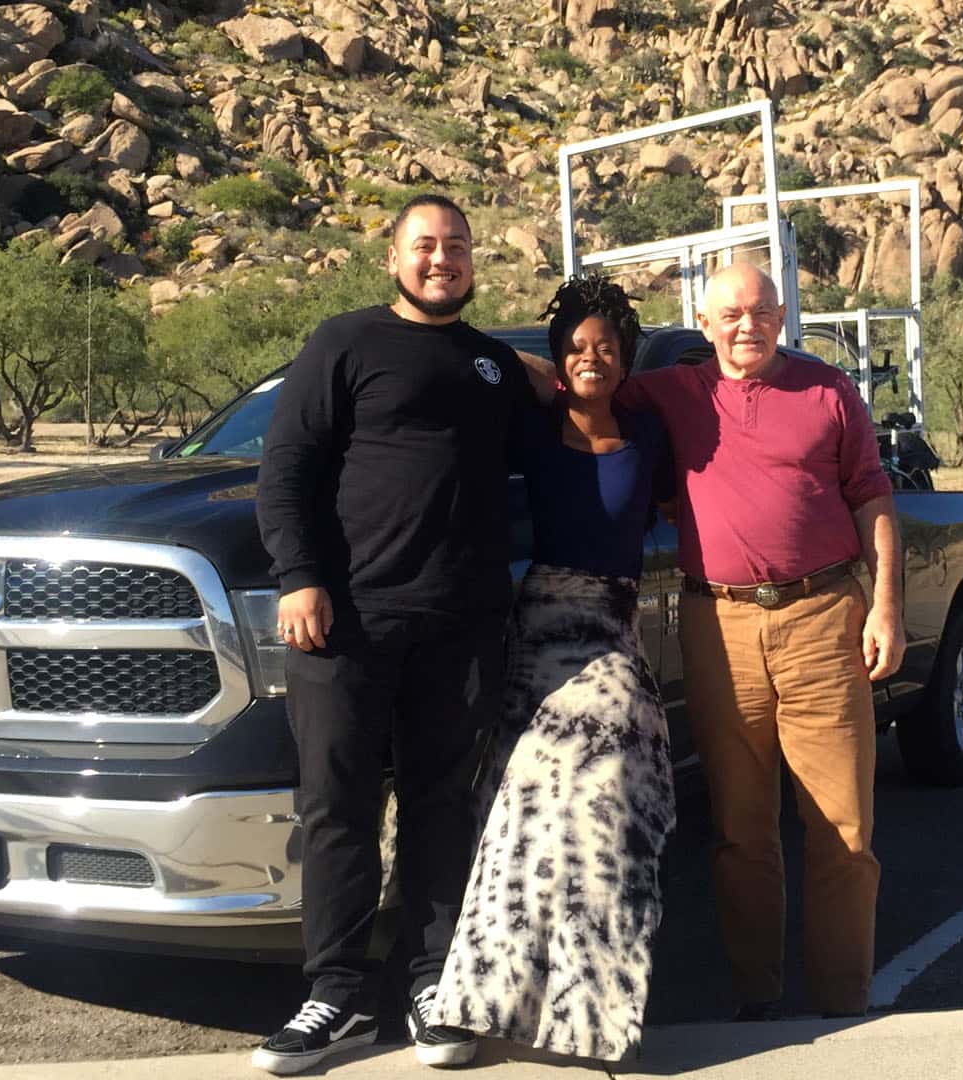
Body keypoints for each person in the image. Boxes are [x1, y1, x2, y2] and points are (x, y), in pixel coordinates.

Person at [252, 194, 548, 1074]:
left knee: (438, 808)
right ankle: (334, 995)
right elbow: (286, 470)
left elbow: (574, 425)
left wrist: (546, 372)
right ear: (393, 258)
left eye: (457, 245)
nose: (441, 259)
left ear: (473, 260)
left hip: (459, 626)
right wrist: (300, 578)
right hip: (347, 623)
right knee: (336, 807)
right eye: (425, 245)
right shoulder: (344, 342)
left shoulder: (493, 364)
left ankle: (433, 985)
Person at [615, 262, 904, 1020]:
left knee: (842, 825)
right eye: (731, 314)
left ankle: (844, 1000)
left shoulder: (827, 390)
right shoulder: (673, 394)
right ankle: (758, 997)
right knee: (742, 828)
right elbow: (578, 381)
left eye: (762, 311)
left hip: (823, 615)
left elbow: (872, 495)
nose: (748, 325)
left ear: (783, 316)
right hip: (719, 623)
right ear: (702, 325)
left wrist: (886, 609)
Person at [431, 277, 677, 1063]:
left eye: (605, 345)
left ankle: (592, 1009)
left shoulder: (650, 430)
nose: (591, 357)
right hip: (538, 624)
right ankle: (478, 996)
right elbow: (476, 359)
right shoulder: (532, 427)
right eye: (575, 347)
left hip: (612, 623)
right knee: (516, 810)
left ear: (626, 355)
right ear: (557, 360)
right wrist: (539, 370)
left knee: (604, 800)